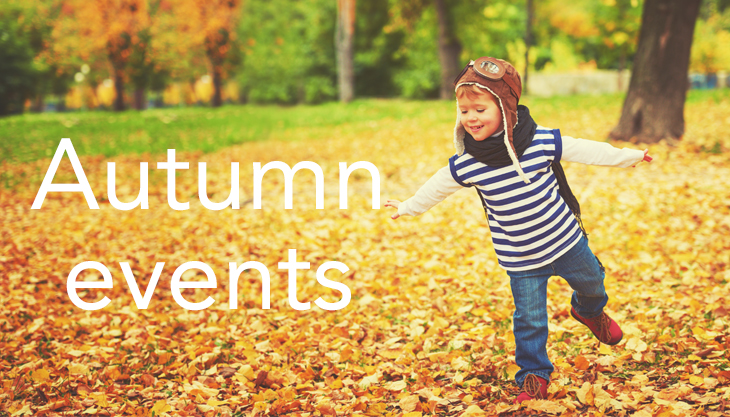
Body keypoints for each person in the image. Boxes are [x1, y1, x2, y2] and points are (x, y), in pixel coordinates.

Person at [385, 57, 652, 404]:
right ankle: (533, 376)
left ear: (504, 106)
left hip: (567, 242)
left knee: (594, 285)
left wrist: (628, 156)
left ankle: (588, 311)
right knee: (530, 321)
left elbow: (585, 149)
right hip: (521, 258)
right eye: (464, 111)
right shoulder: (469, 162)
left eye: (479, 109)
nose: (471, 118)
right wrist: (408, 206)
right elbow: (438, 185)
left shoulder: (539, 142)